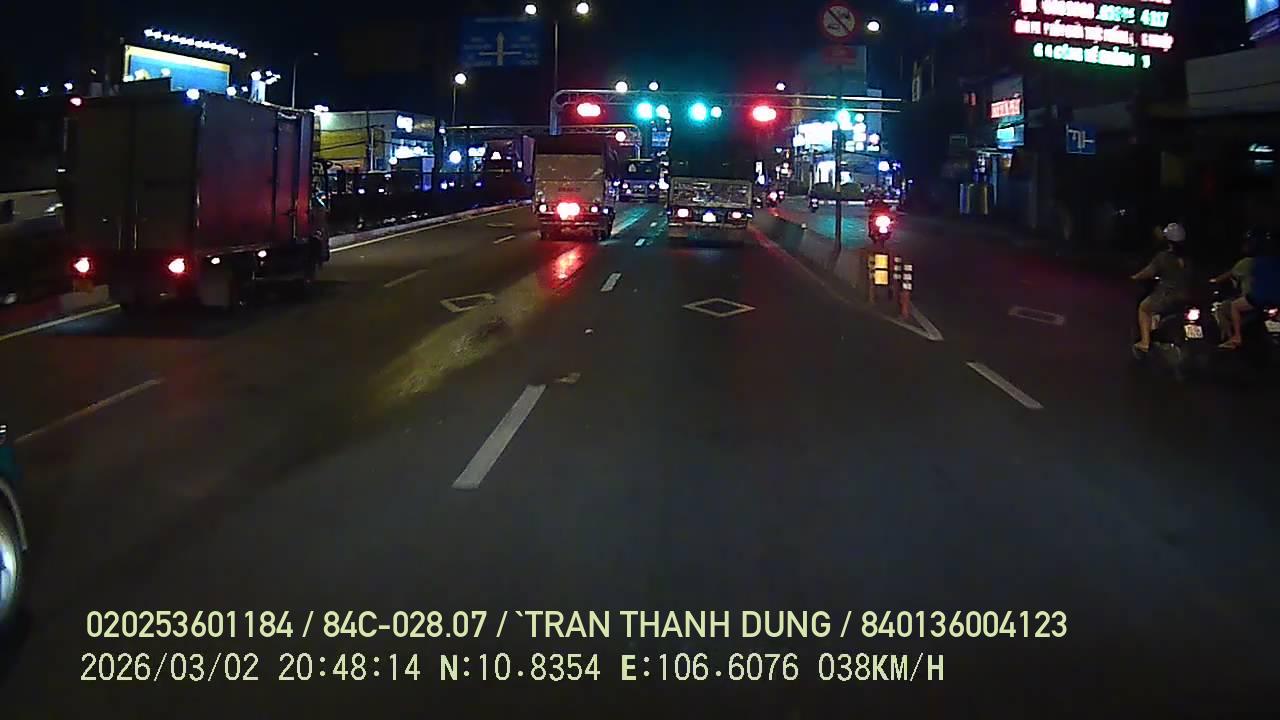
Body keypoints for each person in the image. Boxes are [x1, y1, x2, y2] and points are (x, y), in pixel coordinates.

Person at [1130, 222, 1191, 353]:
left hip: (1167, 295)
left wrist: (1135, 277)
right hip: (1185, 295)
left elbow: (1149, 272)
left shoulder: (1163, 256)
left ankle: (1145, 342)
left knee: (1144, 308)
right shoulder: (1187, 258)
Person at [1219, 230, 1280, 349]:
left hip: (1260, 297)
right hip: (1277, 297)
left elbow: (1240, 278)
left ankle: (1237, 337)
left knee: (1235, 306)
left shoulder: (1252, 262)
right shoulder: (1275, 260)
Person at [1209, 229, 1263, 342]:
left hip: (1253, 300)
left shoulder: (1246, 263)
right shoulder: (1268, 261)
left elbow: (1227, 275)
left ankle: (1232, 338)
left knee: (1223, 309)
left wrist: (1212, 281)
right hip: (1269, 300)